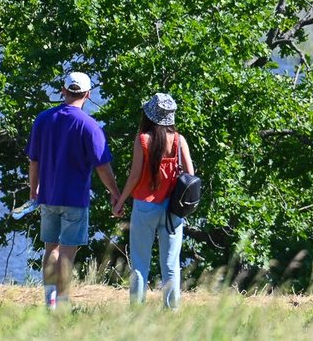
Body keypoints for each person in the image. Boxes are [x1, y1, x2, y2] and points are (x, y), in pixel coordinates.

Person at [26, 71, 120, 311]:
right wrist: (115, 193)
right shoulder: (89, 126)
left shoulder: (43, 119)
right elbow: (102, 165)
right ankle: (64, 303)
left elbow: (33, 161)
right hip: (75, 199)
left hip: (48, 196)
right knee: (67, 252)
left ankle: (49, 302)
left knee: (51, 248)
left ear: (63, 90)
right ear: (87, 94)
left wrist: (33, 189)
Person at [113, 93, 194, 308]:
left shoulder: (143, 140)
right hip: (173, 210)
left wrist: (120, 201)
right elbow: (190, 174)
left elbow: (135, 176)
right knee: (170, 264)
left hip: (145, 206)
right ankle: (172, 310)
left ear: (149, 115)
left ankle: (136, 310)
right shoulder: (179, 140)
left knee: (140, 263)